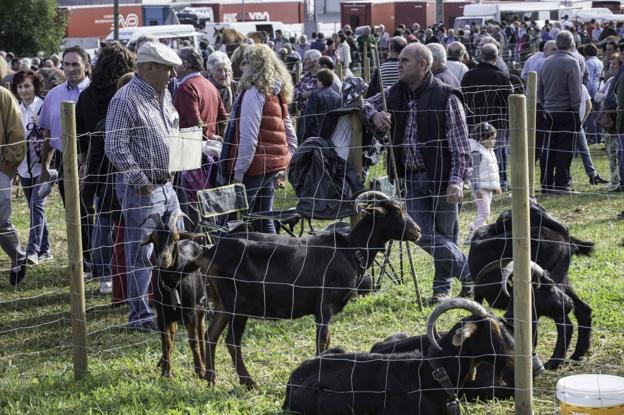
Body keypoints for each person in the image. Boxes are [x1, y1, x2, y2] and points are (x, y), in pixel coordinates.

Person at [363, 43, 473, 304]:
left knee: (447, 236)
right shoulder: (394, 93)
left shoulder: (447, 96)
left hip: (442, 177)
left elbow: (461, 145)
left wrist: (457, 180)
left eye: (404, 61)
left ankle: (441, 290)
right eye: (399, 60)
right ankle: (471, 275)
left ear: (423, 64)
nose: (398, 64)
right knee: (421, 233)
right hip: (409, 178)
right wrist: (375, 114)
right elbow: (363, 103)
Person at [105, 41, 184, 330]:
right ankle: (140, 315)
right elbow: (114, 145)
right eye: (168, 68)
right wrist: (140, 181)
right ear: (149, 67)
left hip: (166, 185)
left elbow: (171, 132)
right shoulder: (125, 99)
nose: (173, 74)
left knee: (175, 244)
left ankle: (173, 303)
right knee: (142, 252)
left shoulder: (162, 95)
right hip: (143, 188)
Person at [75, 42, 135, 295]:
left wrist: (83, 161)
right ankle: (126, 271)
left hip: (96, 163)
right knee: (127, 221)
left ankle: (104, 275)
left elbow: (79, 133)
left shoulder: (86, 95)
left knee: (103, 218)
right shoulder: (124, 92)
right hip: (123, 161)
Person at [220, 44, 297, 233]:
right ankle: (273, 259)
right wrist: (286, 161)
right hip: (271, 166)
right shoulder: (276, 93)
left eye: (244, 63)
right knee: (263, 217)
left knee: (240, 221)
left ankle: (251, 260)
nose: (241, 68)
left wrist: (239, 173)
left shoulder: (254, 92)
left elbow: (249, 137)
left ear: (251, 65)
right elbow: (291, 134)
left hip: (253, 168)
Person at [37, 46, 92, 272]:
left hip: (92, 159)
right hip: (63, 159)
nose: (70, 69)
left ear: (86, 67)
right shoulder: (53, 95)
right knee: (73, 211)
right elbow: (48, 134)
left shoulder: (94, 92)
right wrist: (45, 166)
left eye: (75, 64)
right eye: (66, 64)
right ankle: (82, 261)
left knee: (92, 211)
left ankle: (97, 261)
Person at [173, 47, 228, 228]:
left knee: (191, 206)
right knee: (207, 202)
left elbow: (195, 122)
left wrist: (205, 137)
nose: (174, 67)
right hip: (210, 152)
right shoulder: (209, 85)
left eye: (178, 63)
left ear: (186, 64)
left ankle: (197, 243)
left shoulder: (186, 87)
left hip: (189, 153)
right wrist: (215, 136)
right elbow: (223, 118)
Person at [10, 70, 52, 267]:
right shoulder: (16, 109)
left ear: (35, 86)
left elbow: (52, 135)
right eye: (19, 86)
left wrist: (41, 124)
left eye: (27, 85)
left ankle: (33, 250)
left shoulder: (44, 106)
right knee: (35, 208)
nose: (23, 90)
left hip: (43, 166)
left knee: (37, 205)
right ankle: (46, 249)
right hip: (23, 167)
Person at [461, 43, 513, 190]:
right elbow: (508, 101)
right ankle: (500, 181)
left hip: (474, 120)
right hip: (497, 121)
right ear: (495, 57)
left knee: (475, 152)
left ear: (481, 56)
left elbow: (463, 97)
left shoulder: (468, 75)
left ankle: (474, 182)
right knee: (498, 151)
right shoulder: (501, 77)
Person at [538, 31, 582, 194]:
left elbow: (540, 89)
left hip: (548, 111)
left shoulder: (546, 62)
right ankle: (562, 184)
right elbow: (575, 92)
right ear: (571, 44)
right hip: (566, 111)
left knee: (548, 148)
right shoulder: (572, 62)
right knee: (565, 150)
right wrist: (575, 110)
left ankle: (546, 183)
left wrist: (545, 104)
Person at [0, 87, 27, 285]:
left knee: (0, 220)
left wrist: (7, 167)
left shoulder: (3, 95)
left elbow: (17, 134)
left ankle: (18, 256)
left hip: (0, 167)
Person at [465, 122, 500, 244]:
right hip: (480, 188)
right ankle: (473, 237)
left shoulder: (488, 151)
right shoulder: (477, 152)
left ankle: (475, 229)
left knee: (483, 212)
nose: (494, 141)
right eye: (492, 138)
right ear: (482, 139)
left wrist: (497, 186)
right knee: (485, 212)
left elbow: (493, 170)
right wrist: (477, 189)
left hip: (488, 188)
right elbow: (473, 173)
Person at [301, 68, 341, 140]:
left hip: (316, 133)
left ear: (320, 81)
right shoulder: (337, 96)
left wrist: (306, 132)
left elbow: (309, 116)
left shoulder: (315, 95)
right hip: (332, 133)